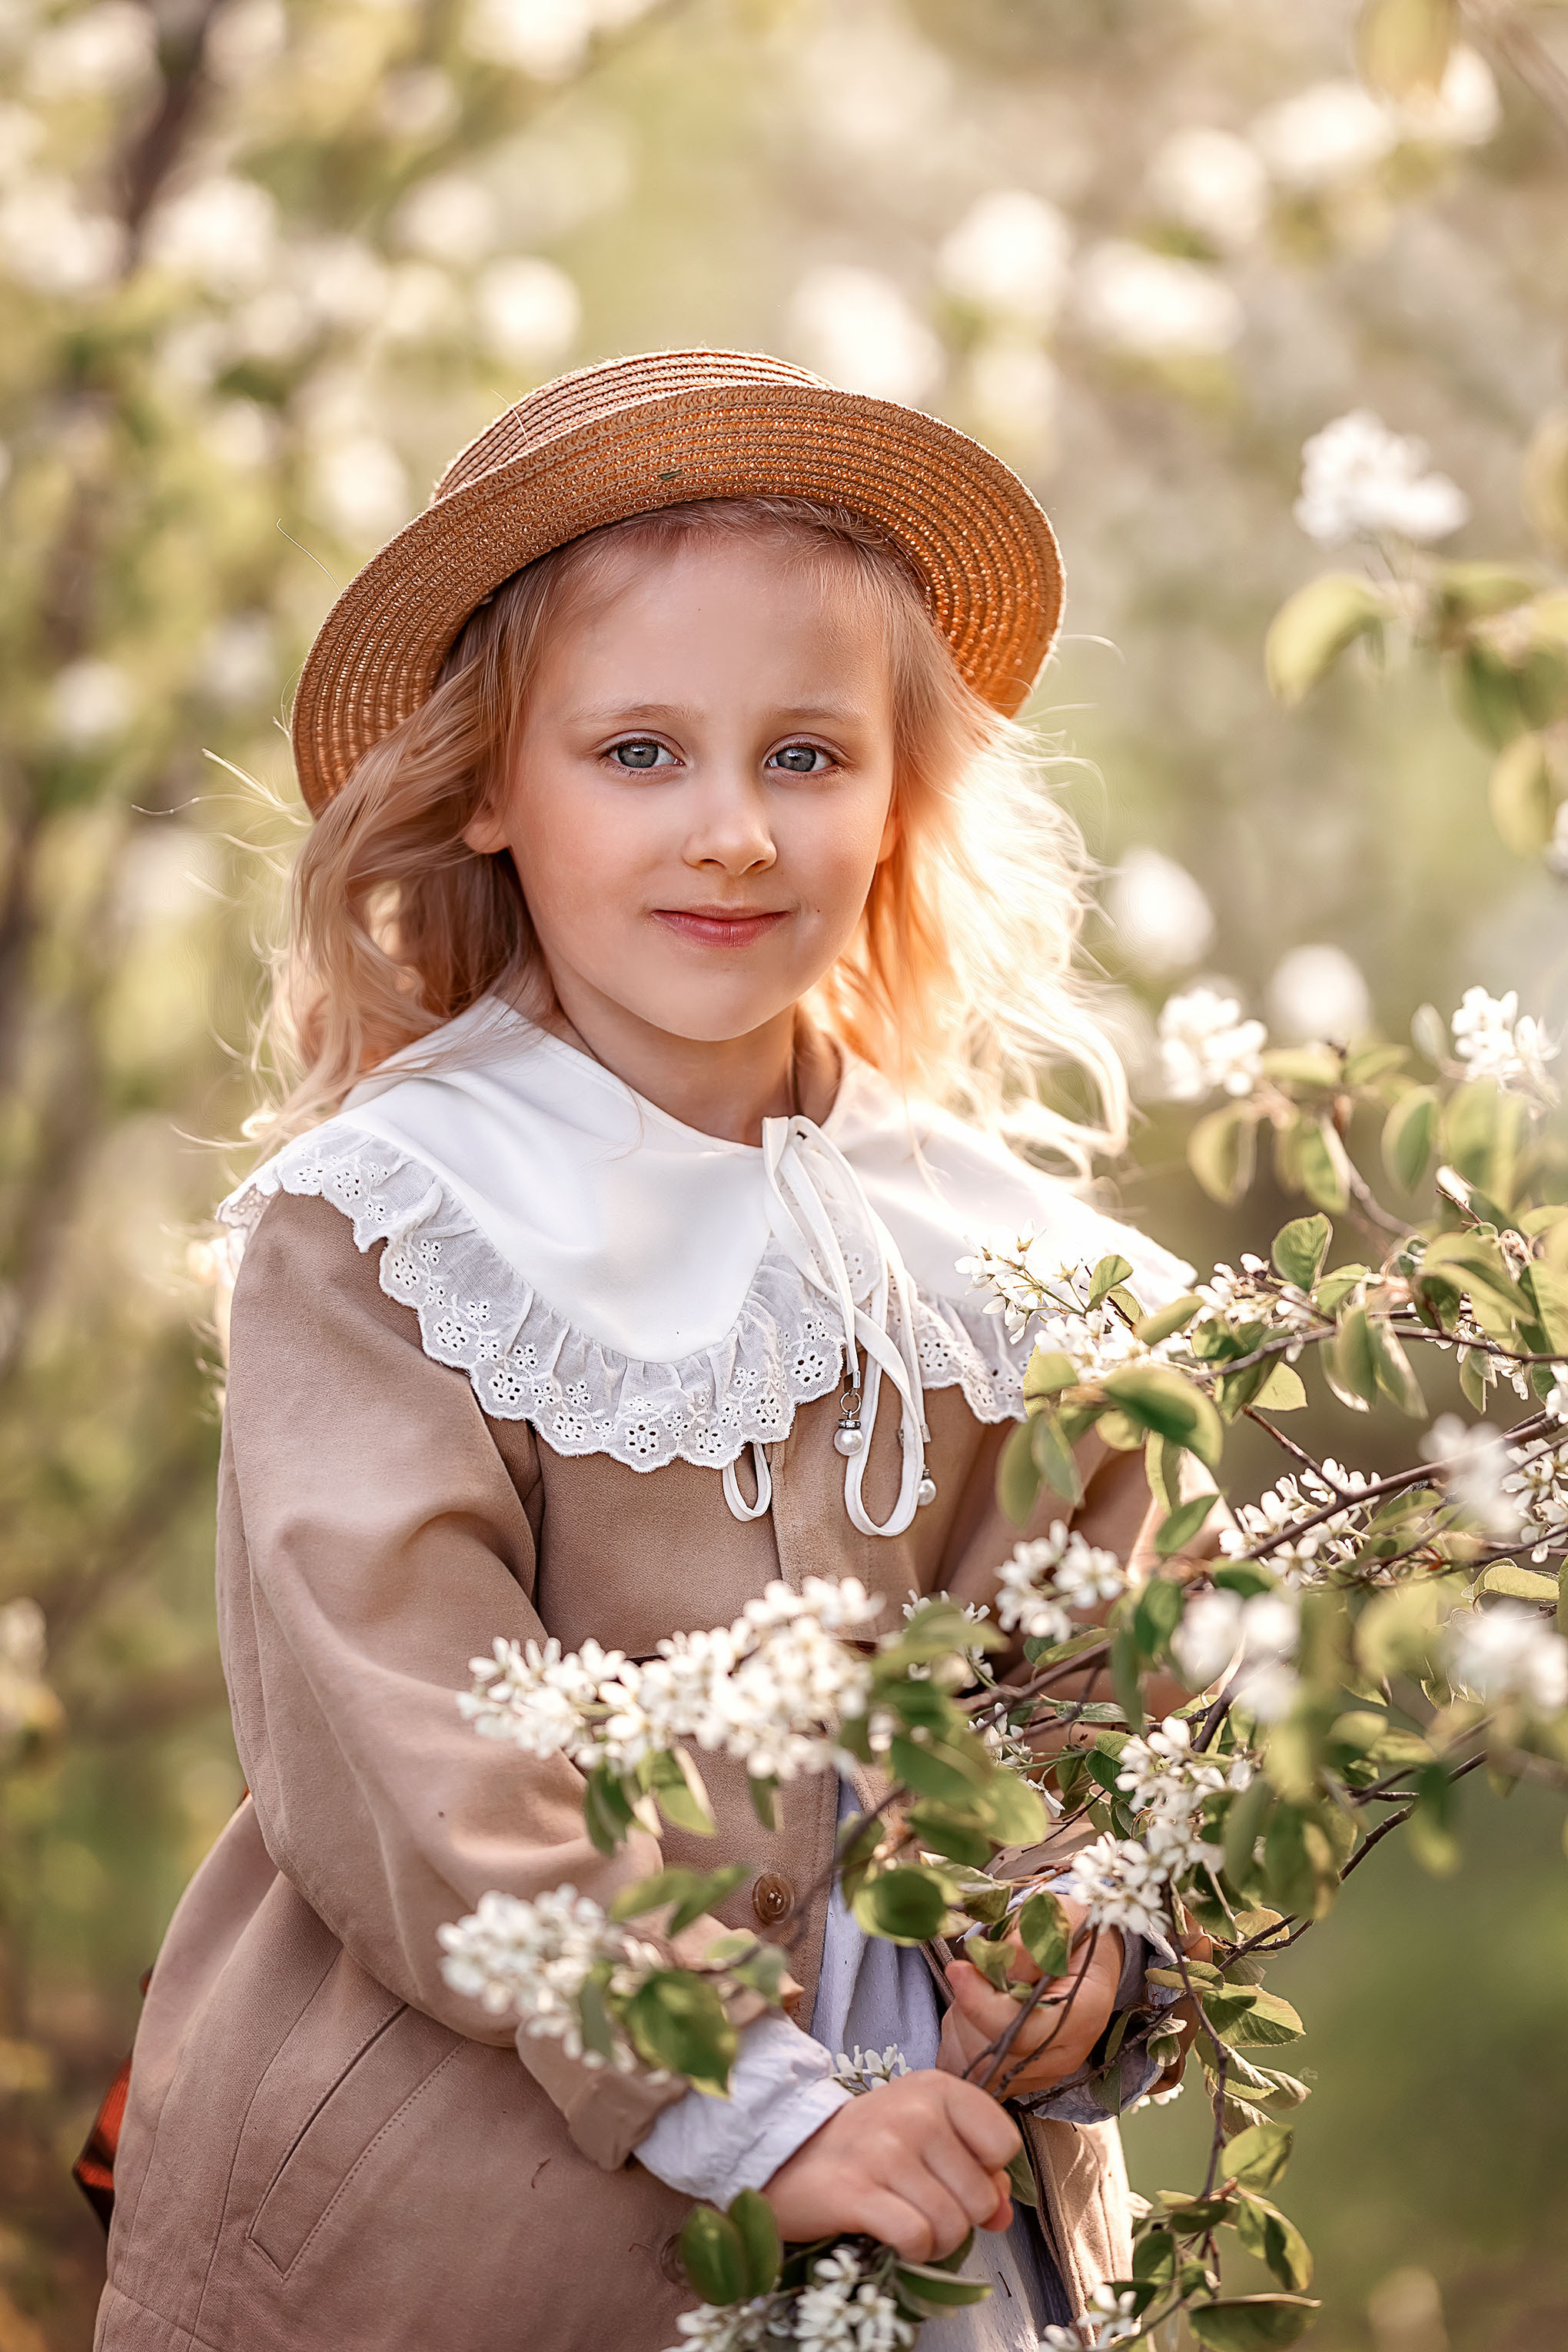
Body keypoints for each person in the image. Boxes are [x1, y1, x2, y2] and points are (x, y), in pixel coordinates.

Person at [95, 350, 1194, 2352]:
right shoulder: (397, 1222)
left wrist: (1071, 1942)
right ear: (489, 787)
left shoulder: (1008, 1268)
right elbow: (414, 1743)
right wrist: (751, 2106)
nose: (734, 832)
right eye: (637, 752)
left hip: (938, 2198)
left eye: (806, 755)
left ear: (898, 795)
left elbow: (1090, 1699)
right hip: (479, 2197)